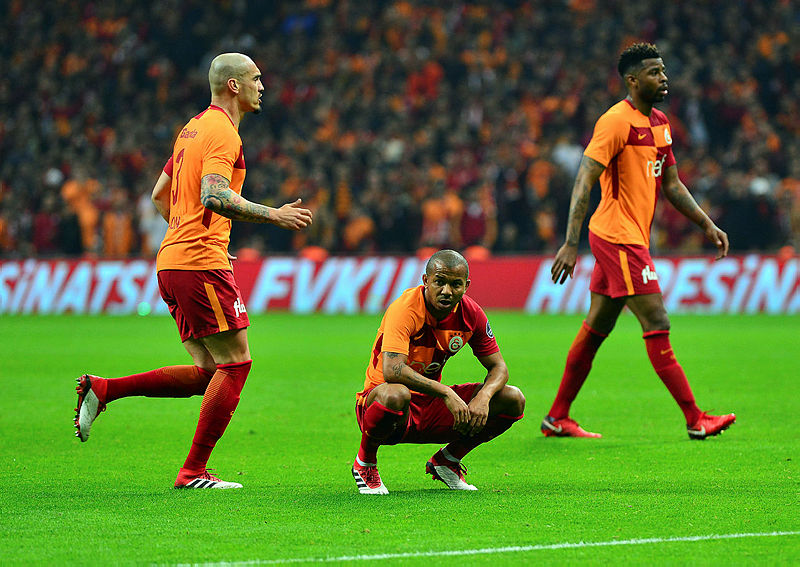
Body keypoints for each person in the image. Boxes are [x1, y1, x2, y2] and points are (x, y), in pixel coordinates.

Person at [73, 53, 313, 489]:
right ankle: (193, 472)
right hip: (198, 263)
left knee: (209, 372)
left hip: (173, 261)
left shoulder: (192, 128)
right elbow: (214, 195)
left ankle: (105, 389)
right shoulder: (222, 132)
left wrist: (193, 236)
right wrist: (274, 215)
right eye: (257, 78)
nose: (263, 86)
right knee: (236, 364)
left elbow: (159, 194)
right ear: (234, 85)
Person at [544, 43, 735, 440]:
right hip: (617, 237)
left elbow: (672, 184)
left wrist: (706, 225)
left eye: (663, 71)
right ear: (632, 80)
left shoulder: (661, 123)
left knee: (597, 327)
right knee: (657, 321)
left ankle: (557, 416)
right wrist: (570, 243)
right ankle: (696, 418)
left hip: (630, 237)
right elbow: (584, 179)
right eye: (654, 72)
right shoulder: (615, 122)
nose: (664, 78)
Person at [352, 249, 525, 494]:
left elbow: (499, 368)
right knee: (396, 393)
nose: (447, 291)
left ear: (466, 286)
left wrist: (484, 397)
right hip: (384, 407)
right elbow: (392, 371)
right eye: (439, 282)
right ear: (426, 281)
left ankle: (447, 461)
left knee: (512, 399)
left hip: (429, 405)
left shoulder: (471, 314)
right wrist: (446, 392)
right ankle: (365, 463)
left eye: (455, 284)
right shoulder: (405, 309)